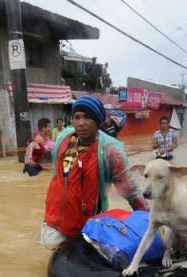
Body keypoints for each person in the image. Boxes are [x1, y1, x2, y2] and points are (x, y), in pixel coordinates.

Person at [40, 95, 148, 249]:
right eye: (76, 117)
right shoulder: (63, 139)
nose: (81, 123)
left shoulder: (111, 151)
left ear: (98, 121)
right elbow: (56, 175)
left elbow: (130, 191)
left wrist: (151, 221)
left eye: (87, 117)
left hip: (88, 224)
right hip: (54, 219)